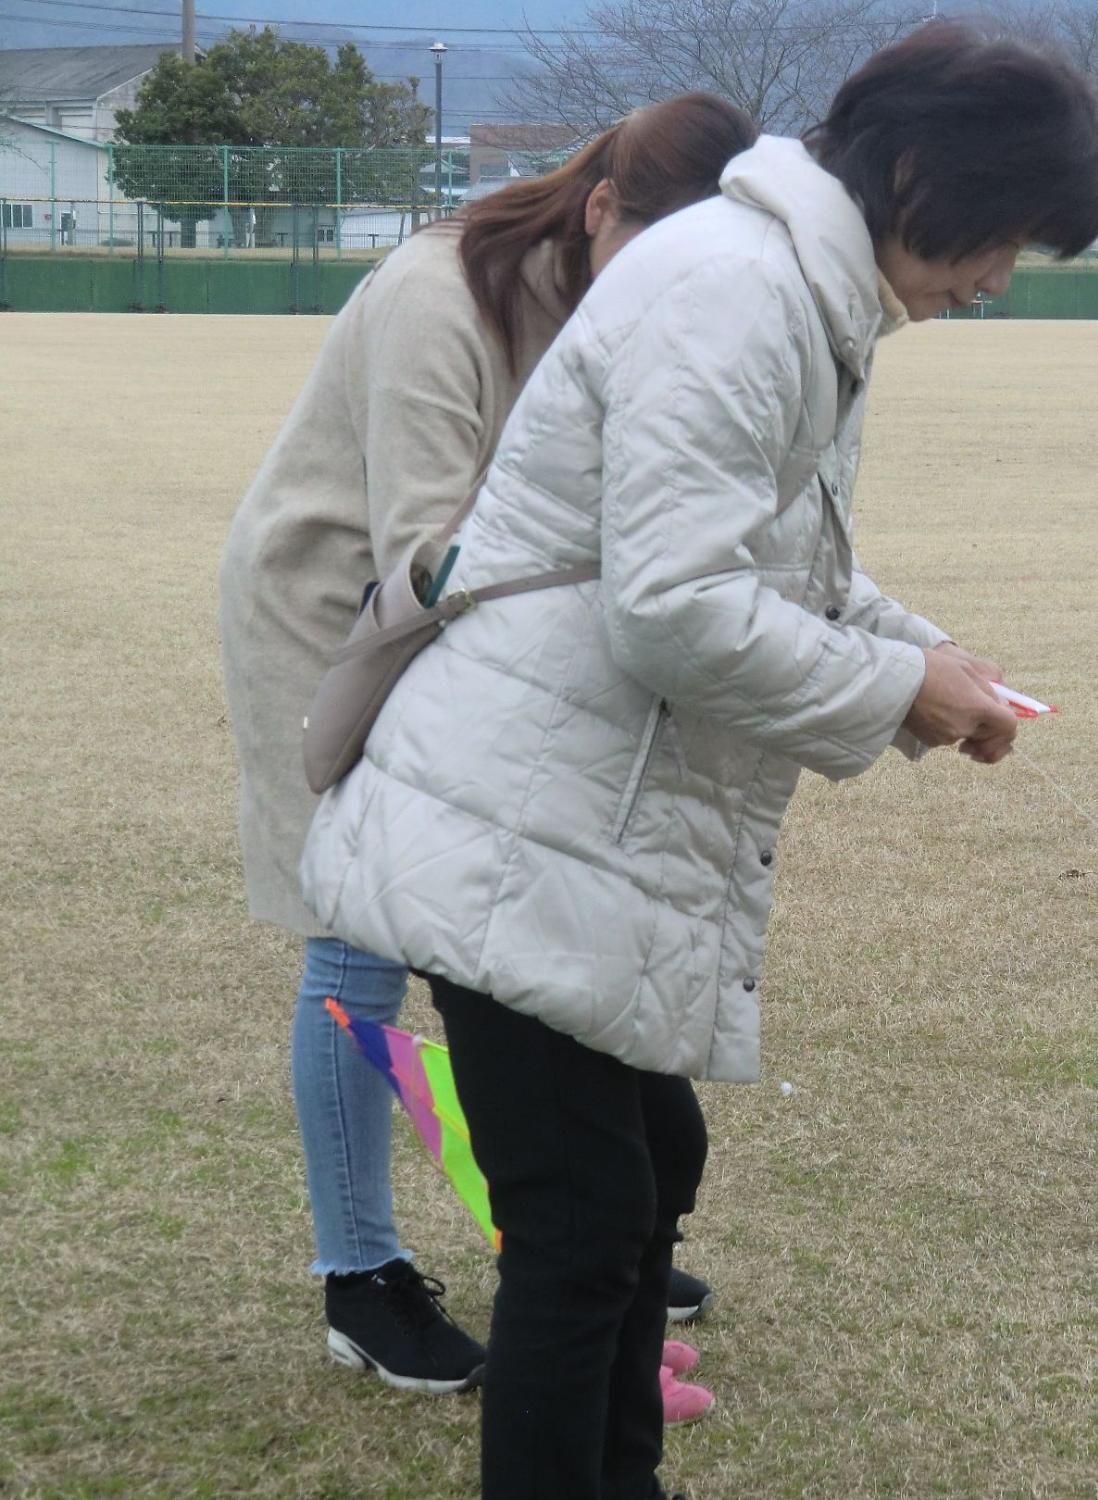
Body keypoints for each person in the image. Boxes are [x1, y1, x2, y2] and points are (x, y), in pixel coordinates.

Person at [299, 20, 1098, 1497]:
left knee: (633, 1185)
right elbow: (676, 609)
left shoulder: (795, 294)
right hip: (522, 816)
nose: (993, 281)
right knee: (585, 1219)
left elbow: (773, 566)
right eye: (996, 240)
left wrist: (931, 657)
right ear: (916, 172)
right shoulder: (738, 294)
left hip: (573, 817)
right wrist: (893, 689)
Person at [217, 93, 757, 1397]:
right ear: (600, 210)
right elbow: (429, 546)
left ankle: (582, 1242)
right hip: (344, 624)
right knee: (360, 936)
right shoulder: (434, 300)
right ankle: (363, 1277)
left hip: (481, 633)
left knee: (504, 925)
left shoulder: (619, 306)